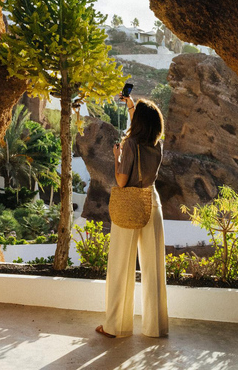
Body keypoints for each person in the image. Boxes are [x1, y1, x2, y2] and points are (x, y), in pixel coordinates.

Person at [96, 95, 168, 338]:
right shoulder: (157, 144)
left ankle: (115, 326)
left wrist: (116, 157)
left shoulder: (129, 145)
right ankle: (156, 327)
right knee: (154, 267)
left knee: (120, 267)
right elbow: (141, 127)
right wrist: (131, 105)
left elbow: (121, 180)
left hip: (129, 204)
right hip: (152, 203)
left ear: (137, 122)